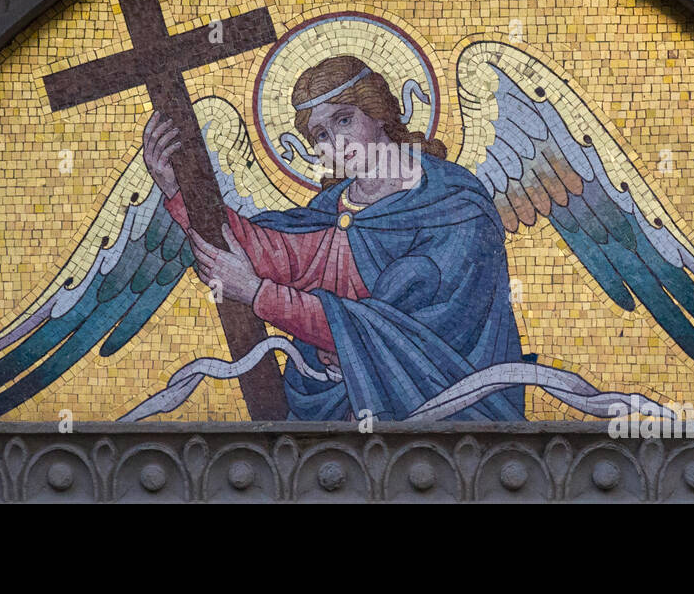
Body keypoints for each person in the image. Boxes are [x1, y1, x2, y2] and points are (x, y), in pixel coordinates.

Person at [144, 55, 528, 421]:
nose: (336, 143)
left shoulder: (454, 204)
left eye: (344, 120)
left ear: (377, 112)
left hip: (450, 406)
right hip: (341, 410)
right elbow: (267, 252)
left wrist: (259, 295)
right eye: (321, 135)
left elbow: (416, 330)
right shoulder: (331, 209)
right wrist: (178, 191)